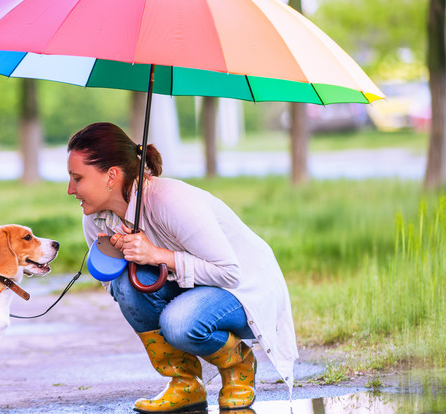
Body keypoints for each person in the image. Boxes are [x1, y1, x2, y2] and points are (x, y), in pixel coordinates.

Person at [66, 122, 298, 413]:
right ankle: (185, 384)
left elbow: (228, 272)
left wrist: (155, 255)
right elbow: (115, 289)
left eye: (77, 178)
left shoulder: (171, 200)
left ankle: (239, 363)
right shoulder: (96, 219)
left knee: (179, 323)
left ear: (111, 176)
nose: (70, 189)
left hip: (242, 290)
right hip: (195, 287)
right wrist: (114, 258)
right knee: (125, 283)